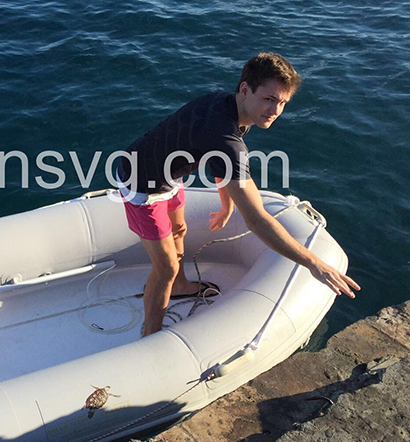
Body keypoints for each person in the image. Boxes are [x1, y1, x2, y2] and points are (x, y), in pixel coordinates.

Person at [116, 52, 360, 337]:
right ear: (245, 89)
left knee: (179, 229)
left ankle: (180, 287)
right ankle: (150, 336)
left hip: (170, 173)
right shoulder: (226, 138)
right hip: (142, 183)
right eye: (269, 99)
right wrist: (314, 263)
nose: (275, 110)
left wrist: (225, 203)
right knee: (166, 267)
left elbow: (215, 159)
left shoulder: (228, 106)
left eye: (282, 102)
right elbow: (257, 220)